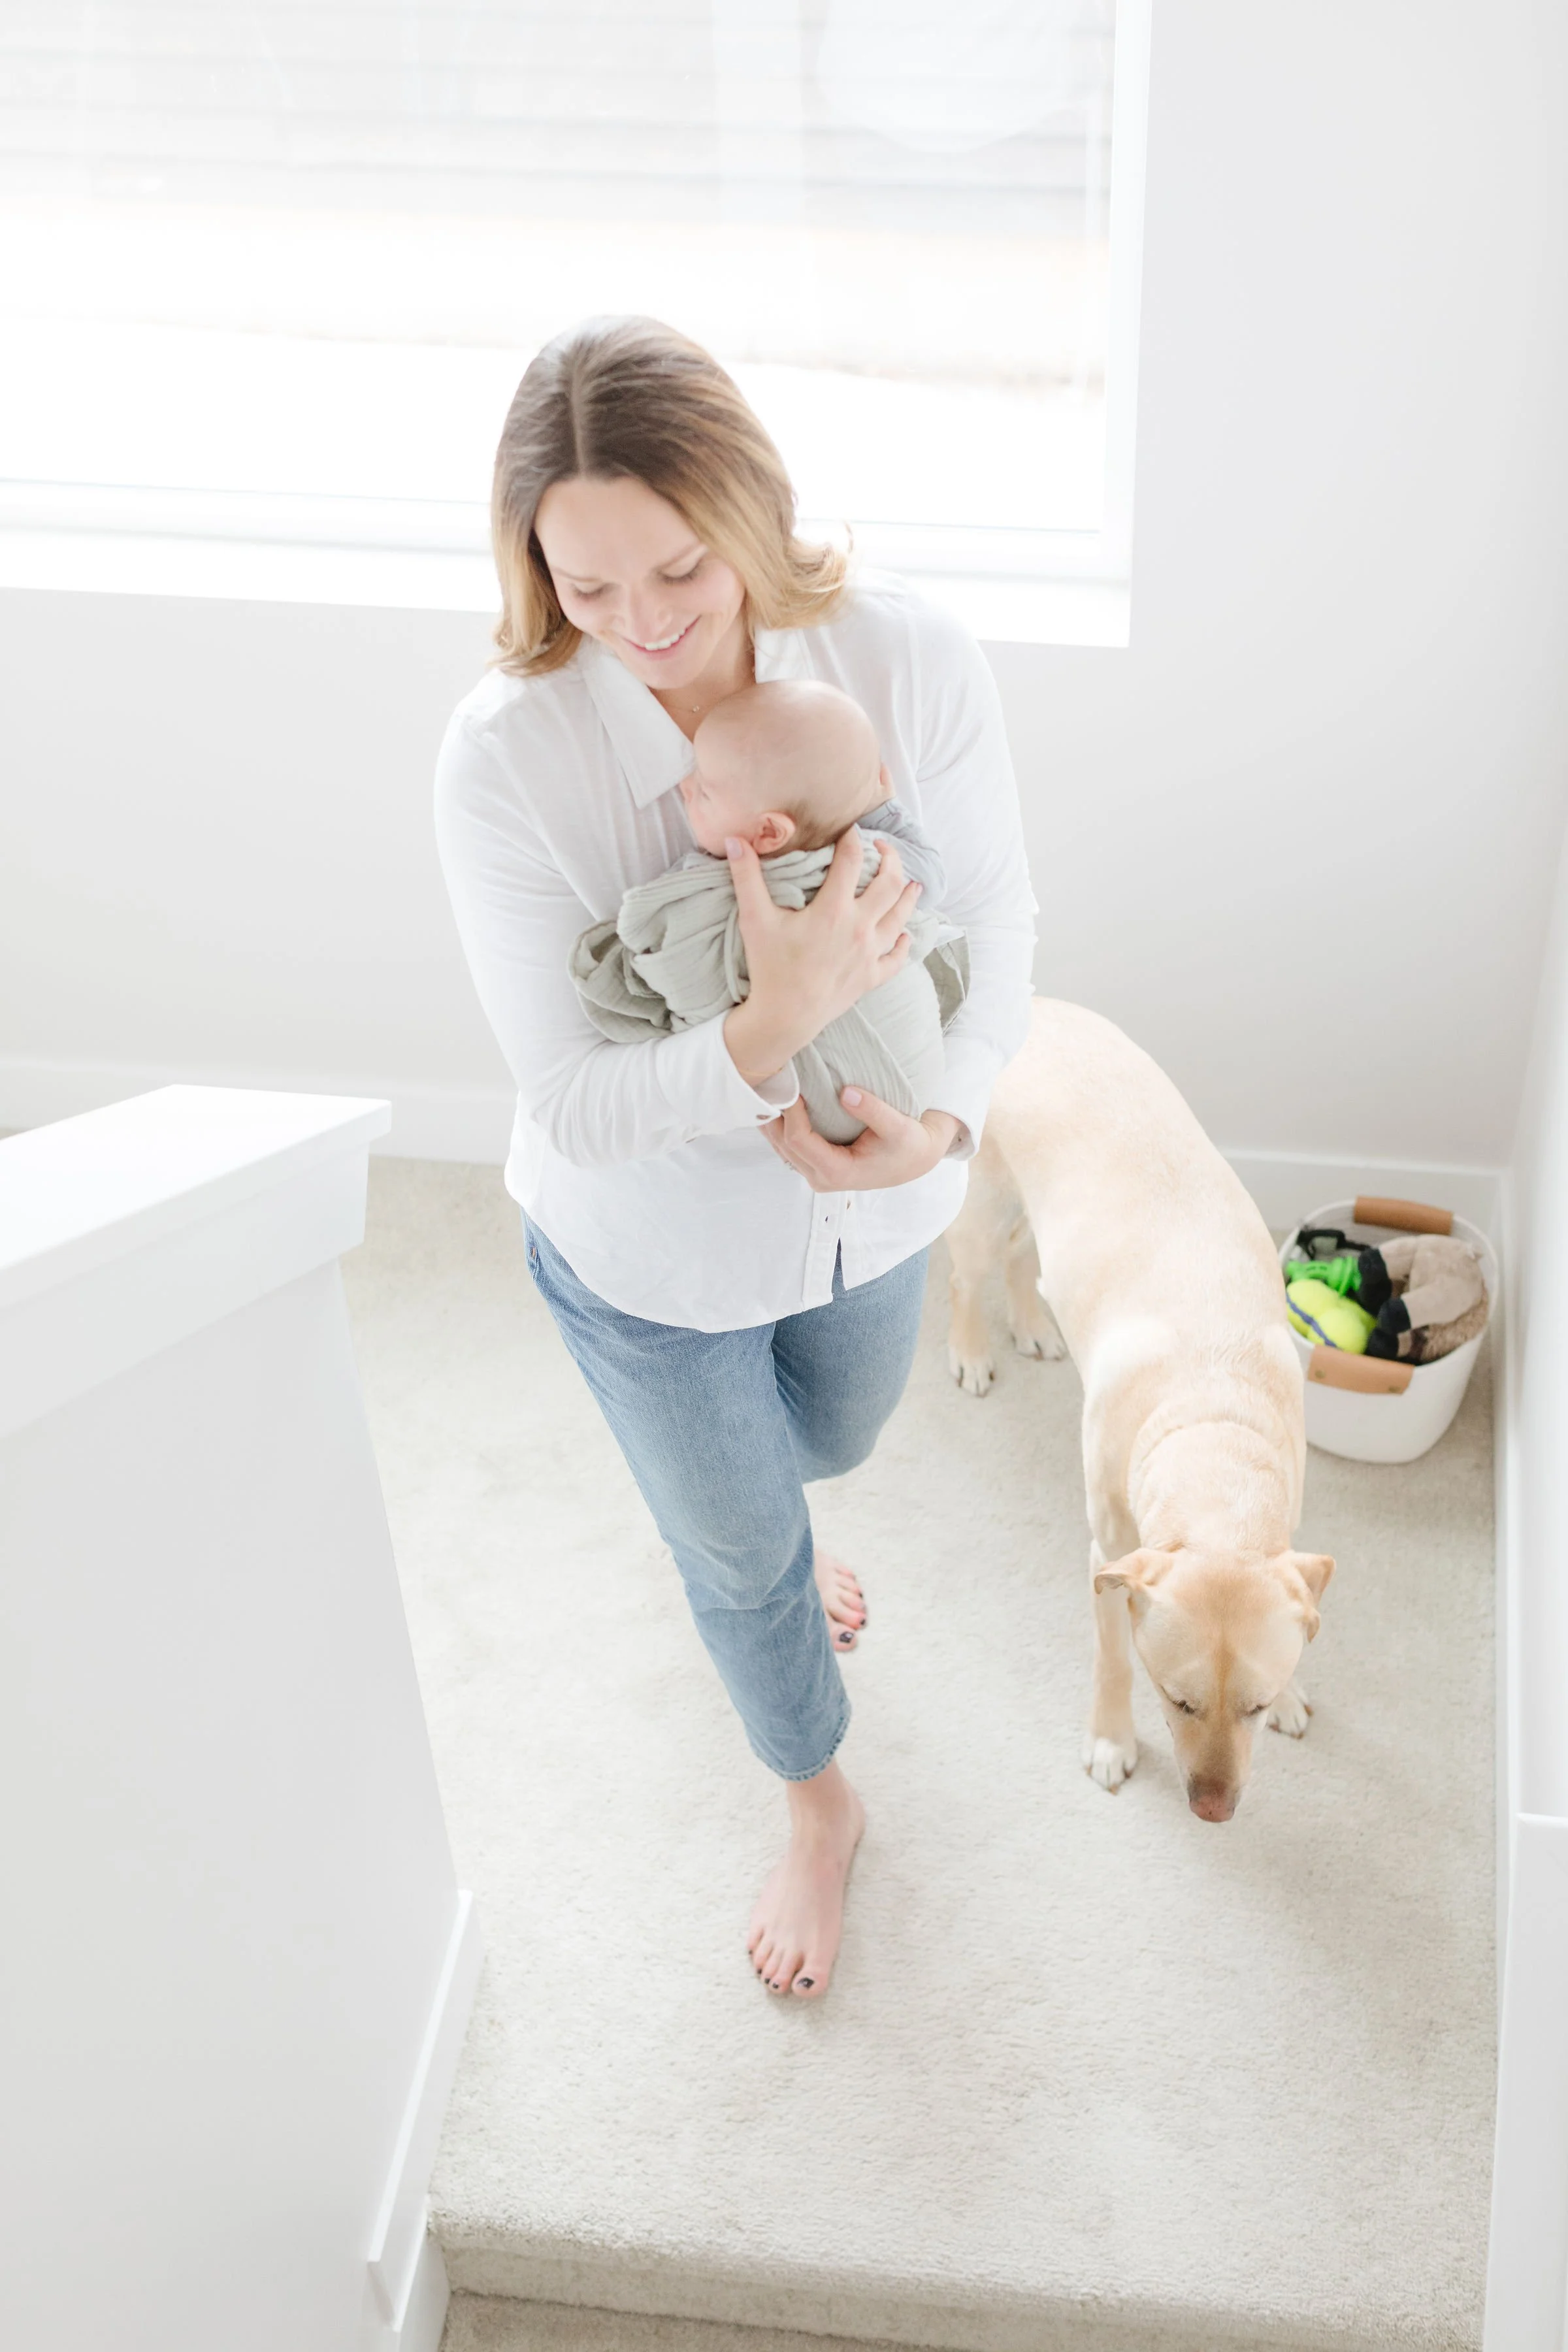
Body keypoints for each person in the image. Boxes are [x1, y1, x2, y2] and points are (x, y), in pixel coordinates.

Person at [434, 314, 1036, 2002]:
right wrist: (770, 1028)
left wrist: (941, 1128)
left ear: (750, 510)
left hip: (876, 1204)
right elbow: (573, 1098)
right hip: (647, 1254)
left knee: (835, 1433)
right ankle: (817, 1800)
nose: (639, 628)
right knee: (742, 1560)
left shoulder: (906, 656)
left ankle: (766, 1521)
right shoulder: (504, 756)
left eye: (679, 570)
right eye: (587, 586)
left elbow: (1003, 919)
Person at [569, 676, 969, 1147]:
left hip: (834, 1103)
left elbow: (676, 967)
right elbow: (931, 878)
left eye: (705, 791)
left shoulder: (710, 895)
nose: (685, 787)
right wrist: (879, 809)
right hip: (910, 1086)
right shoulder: (877, 860)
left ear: (768, 835)